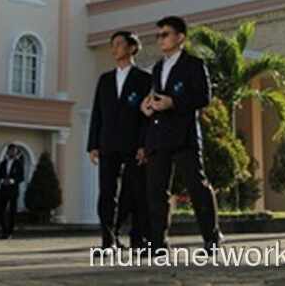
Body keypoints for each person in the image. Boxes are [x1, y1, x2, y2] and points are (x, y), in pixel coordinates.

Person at [141, 15, 224, 252]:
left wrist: (174, 102)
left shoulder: (194, 64)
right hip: (159, 136)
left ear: (180, 37)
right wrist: (148, 105)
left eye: (165, 34)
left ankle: (212, 237)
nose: (160, 39)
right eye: (158, 35)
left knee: (197, 187)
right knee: (156, 191)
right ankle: (158, 243)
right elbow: (157, 95)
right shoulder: (158, 67)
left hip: (184, 136)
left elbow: (203, 97)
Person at [88, 30, 153, 249]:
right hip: (107, 144)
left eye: (118, 44)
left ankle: (138, 239)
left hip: (134, 145)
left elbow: (147, 116)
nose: (114, 49)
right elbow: (97, 113)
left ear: (132, 48)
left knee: (136, 192)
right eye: (112, 45)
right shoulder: (105, 80)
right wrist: (93, 145)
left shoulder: (145, 79)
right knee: (106, 193)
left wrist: (144, 144)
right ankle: (108, 241)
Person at [0, 144, 26, 239]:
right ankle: (4, 232)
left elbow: (21, 177)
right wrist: (2, 181)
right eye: (11, 150)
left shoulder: (19, 163)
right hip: (3, 190)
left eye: (15, 151)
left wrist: (12, 181)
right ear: (8, 151)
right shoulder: (3, 163)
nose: (13, 152)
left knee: (12, 212)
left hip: (13, 190)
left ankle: (10, 233)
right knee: (0, 211)